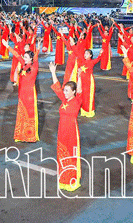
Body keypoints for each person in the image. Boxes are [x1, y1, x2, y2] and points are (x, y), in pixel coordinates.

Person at [49, 62, 83, 191]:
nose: (65, 92)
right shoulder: (64, 100)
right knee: (62, 154)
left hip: (72, 132)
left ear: (73, 92)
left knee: (71, 154)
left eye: (67, 91)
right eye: (65, 90)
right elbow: (57, 87)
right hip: (61, 131)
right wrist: (53, 72)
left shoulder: (77, 101)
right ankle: (63, 179)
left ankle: (72, 180)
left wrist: (79, 77)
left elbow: (80, 90)